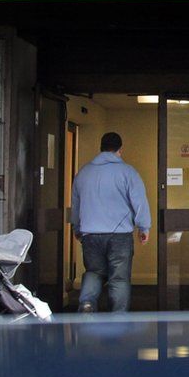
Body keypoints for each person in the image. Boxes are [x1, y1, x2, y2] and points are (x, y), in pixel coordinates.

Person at [71, 132, 151, 313]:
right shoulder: (128, 172)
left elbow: (76, 204)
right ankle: (118, 316)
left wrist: (77, 227)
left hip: (90, 234)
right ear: (120, 150)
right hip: (120, 236)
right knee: (119, 278)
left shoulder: (84, 173)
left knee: (94, 271)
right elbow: (139, 202)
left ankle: (87, 304)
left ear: (100, 148)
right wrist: (143, 227)